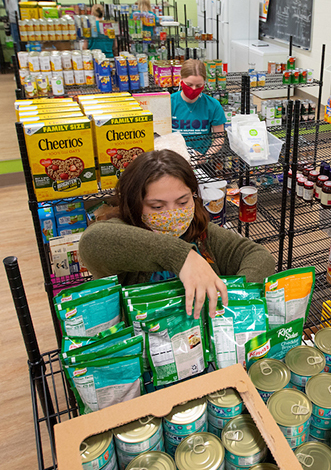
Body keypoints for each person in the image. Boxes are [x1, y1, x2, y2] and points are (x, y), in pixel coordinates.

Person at [79, 149, 276, 318]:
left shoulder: (199, 231)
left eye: (182, 202)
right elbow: (92, 241)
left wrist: (231, 300)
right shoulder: (122, 233)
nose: (172, 213)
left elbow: (258, 256)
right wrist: (182, 257)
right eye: (157, 206)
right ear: (134, 204)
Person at [171, 59, 226, 158]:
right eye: (189, 85)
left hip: (201, 159)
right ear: (181, 80)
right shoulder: (169, 103)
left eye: (198, 86)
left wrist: (205, 157)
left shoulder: (213, 105)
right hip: (174, 160)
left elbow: (219, 137)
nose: (193, 89)